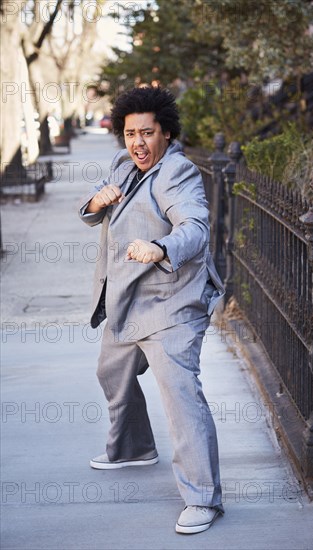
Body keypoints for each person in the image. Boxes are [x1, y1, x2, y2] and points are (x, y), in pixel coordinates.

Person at [79, 86, 225, 534]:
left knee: (180, 396)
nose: (137, 143)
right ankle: (134, 447)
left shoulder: (176, 174)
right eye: (129, 133)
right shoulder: (124, 166)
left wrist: (160, 246)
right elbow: (95, 213)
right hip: (126, 300)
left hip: (171, 305)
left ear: (166, 134)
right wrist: (94, 204)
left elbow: (195, 227)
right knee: (112, 374)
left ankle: (203, 499)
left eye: (147, 133)